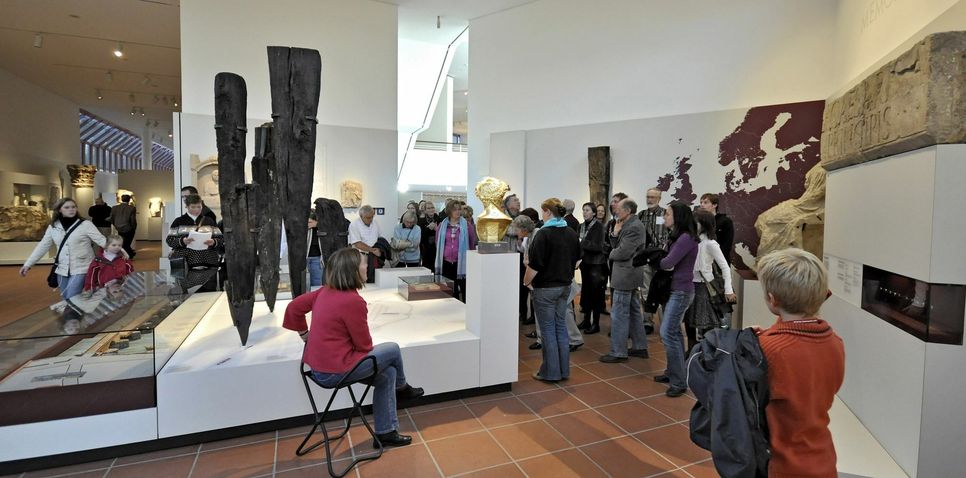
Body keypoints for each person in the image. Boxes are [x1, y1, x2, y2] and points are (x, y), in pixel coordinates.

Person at [283, 247, 425, 448]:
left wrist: (304, 334)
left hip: (316, 369)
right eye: (363, 263)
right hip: (334, 371)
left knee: (388, 374)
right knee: (392, 349)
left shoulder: (324, 292)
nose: (367, 266)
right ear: (353, 270)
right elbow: (364, 345)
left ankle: (386, 432)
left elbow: (293, 308)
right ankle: (403, 389)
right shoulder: (353, 301)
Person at [755, 248, 844, 477]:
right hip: (822, 457)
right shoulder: (835, 342)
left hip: (783, 465)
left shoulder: (769, 351)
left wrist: (753, 345)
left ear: (772, 300)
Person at [524, 198, 581, 382]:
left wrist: (526, 283)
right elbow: (578, 260)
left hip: (546, 289)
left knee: (548, 331)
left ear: (547, 211)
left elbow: (535, 265)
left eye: (543, 212)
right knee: (560, 327)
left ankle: (550, 372)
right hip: (564, 286)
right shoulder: (571, 233)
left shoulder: (543, 234)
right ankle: (563, 370)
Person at [654, 201, 700, 397]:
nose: (665, 217)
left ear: (678, 217)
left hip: (680, 291)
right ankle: (673, 372)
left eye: (668, 214)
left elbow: (667, 262)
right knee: (673, 333)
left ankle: (679, 381)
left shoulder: (685, 239)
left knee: (667, 333)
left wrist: (655, 258)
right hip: (676, 289)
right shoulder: (679, 237)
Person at [21, 198, 108, 300]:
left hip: (82, 266)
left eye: (73, 207)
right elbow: (43, 245)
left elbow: (102, 240)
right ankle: (77, 314)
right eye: (67, 207)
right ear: (59, 210)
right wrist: (28, 264)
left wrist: (119, 253)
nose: (71, 209)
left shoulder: (85, 224)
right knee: (66, 298)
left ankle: (73, 315)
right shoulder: (53, 227)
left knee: (72, 296)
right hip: (62, 268)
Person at [599, 198, 649, 363]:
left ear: (628, 211)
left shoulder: (634, 226)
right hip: (627, 274)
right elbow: (616, 244)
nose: (615, 210)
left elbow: (622, 253)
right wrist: (614, 234)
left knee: (619, 313)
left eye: (618, 208)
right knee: (634, 312)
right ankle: (640, 347)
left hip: (626, 275)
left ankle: (618, 351)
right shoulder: (625, 224)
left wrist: (610, 253)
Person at [684, 210, 736, 352]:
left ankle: (708, 354)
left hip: (704, 287)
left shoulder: (710, 243)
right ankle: (691, 352)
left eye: (696, 222)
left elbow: (724, 267)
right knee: (689, 322)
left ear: (703, 224)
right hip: (690, 285)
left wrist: (728, 289)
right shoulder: (692, 241)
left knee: (706, 323)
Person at [638, 188, 668, 334]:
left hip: (661, 257)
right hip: (646, 257)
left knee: (662, 290)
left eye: (653, 197)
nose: (649, 199)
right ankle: (647, 321)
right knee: (645, 290)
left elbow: (670, 234)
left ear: (659, 198)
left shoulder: (665, 214)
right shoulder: (641, 214)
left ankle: (664, 325)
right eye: (648, 196)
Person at [434, 199, 477, 302]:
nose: (458, 212)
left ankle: (466, 310)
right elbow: (438, 242)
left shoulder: (467, 225)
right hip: (447, 262)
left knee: (464, 288)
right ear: (449, 211)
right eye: (455, 210)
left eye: (459, 209)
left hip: (462, 262)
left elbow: (472, 242)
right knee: (450, 290)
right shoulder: (442, 225)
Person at [167, 194, 222, 268]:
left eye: (199, 207)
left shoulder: (209, 221)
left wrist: (214, 242)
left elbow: (221, 239)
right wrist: (183, 241)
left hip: (208, 262)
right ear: (187, 206)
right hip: (185, 263)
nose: (196, 209)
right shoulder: (178, 221)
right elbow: (169, 240)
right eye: (193, 207)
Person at [577, 202, 606, 334]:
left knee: (596, 294)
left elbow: (598, 246)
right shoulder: (581, 226)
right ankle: (586, 320)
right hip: (585, 263)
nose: (584, 212)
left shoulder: (598, 226)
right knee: (586, 293)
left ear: (594, 213)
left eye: (587, 210)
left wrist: (582, 242)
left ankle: (596, 323)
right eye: (583, 210)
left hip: (596, 264)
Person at [511, 215, 536, 326]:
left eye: (517, 229)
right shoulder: (528, 238)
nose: (515, 232)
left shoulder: (536, 236)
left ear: (524, 229)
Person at [699, 193, 734, 266]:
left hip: (718, 263)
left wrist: (716, 259)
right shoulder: (698, 221)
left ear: (714, 205)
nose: (702, 205)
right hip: (701, 262)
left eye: (705, 202)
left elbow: (726, 245)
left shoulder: (725, 221)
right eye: (701, 202)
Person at [109, 194, 138, 259]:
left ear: (121, 199)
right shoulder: (132, 208)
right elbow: (132, 220)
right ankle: (130, 254)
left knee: (124, 242)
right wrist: (134, 227)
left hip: (119, 228)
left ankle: (130, 253)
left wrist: (115, 225)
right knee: (127, 243)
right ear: (129, 200)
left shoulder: (114, 207)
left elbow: (112, 218)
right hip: (128, 227)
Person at [418, 201, 439, 269]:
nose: (431, 209)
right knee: (426, 269)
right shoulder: (421, 220)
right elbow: (420, 236)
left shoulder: (439, 218)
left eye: (432, 207)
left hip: (437, 247)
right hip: (426, 249)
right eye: (428, 208)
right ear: (425, 210)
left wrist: (436, 229)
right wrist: (428, 228)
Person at [307, 212, 323, 287]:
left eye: (310, 222)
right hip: (304, 257)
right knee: (304, 283)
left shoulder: (321, 228)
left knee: (317, 281)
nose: (308, 224)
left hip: (317, 257)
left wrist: (317, 225)